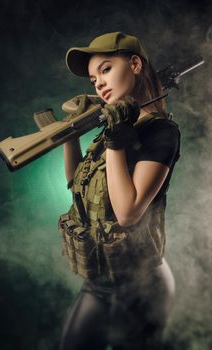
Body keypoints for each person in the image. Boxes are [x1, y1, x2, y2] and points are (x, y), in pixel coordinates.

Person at [58, 32, 181, 350]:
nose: (97, 83)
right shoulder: (116, 125)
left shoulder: (160, 132)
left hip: (142, 287)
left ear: (135, 64)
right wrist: (69, 133)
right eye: (93, 78)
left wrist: (115, 139)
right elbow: (77, 184)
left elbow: (127, 212)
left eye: (106, 69)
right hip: (99, 282)